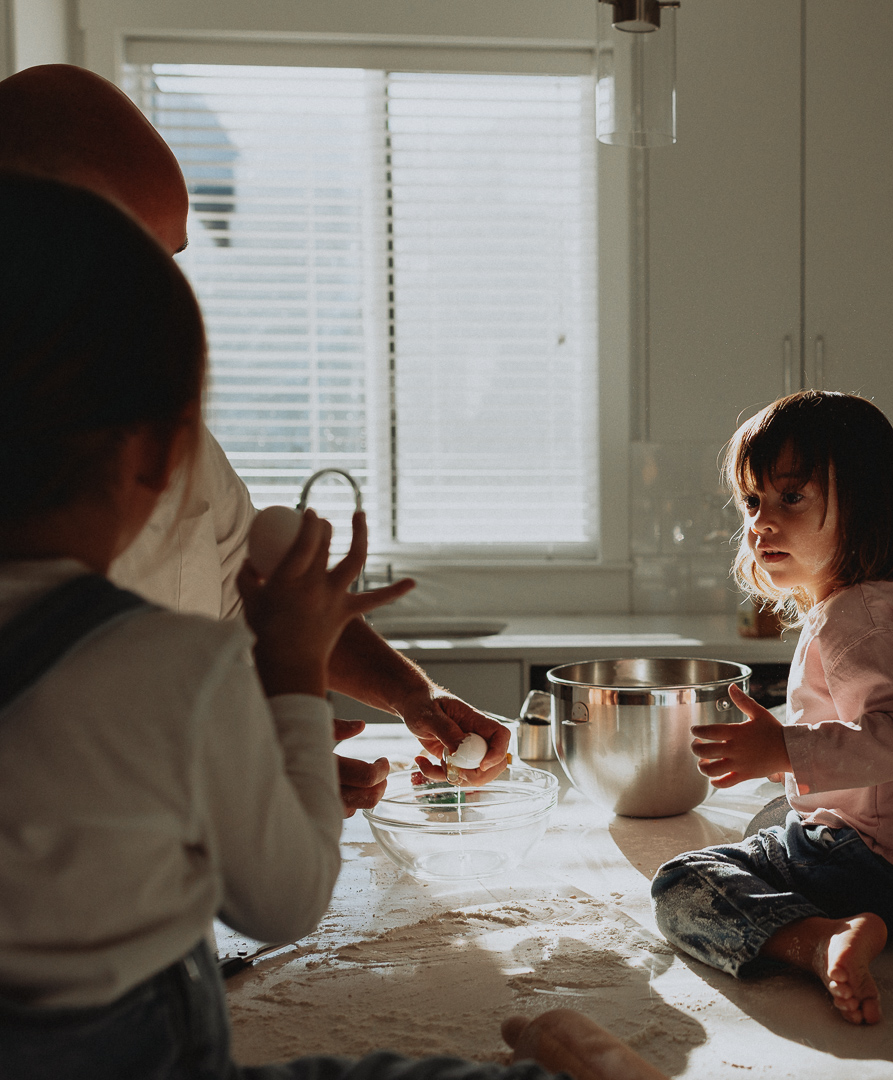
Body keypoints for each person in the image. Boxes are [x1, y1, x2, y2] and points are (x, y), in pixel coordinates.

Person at [0, 171, 673, 1080]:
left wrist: (412, 697)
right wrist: (282, 722)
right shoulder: (173, 661)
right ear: (161, 449)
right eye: (145, 253)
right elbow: (283, 900)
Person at [0, 63, 510, 808]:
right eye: (133, 260)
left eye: (170, 262)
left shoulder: (151, 416)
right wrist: (232, 772)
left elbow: (262, 597)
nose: (162, 299)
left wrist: (412, 697)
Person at [649, 391, 893, 1026]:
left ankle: (821, 940)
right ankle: (870, 910)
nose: (760, 522)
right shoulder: (880, 601)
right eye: (752, 502)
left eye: (791, 498)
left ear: (861, 506)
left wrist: (785, 750)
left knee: (683, 882)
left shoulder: (853, 622)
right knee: (771, 815)